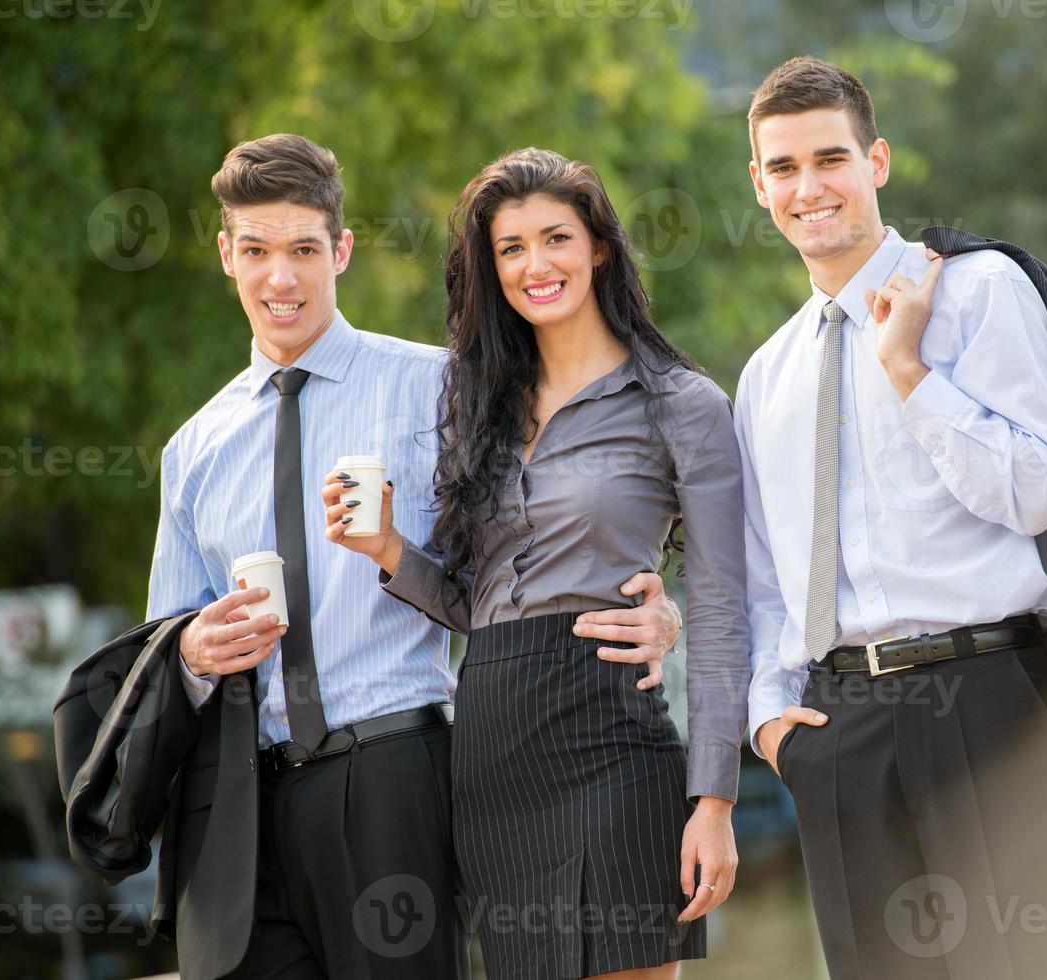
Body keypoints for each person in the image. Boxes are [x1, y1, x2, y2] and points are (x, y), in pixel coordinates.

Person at [147, 133, 683, 979]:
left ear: (341, 251)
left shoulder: (444, 388)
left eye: (302, 251)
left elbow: (528, 561)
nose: (279, 279)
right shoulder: (193, 448)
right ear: (227, 255)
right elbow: (161, 644)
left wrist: (656, 608)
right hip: (241, 804)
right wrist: (190, 651)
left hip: (392, 773)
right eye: (255, 251)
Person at [736, 57, 1047, 979]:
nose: (808, 187)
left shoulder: (982, 291)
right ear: (758, 186)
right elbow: (761, 579)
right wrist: (769, 724)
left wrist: (908, 369)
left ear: (877, 160)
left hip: (987, 700)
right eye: (782, 168)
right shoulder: (765, 376)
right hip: (838, 734)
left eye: (829, 158)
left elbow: (1039, 492)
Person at [324, 146, 750, 980]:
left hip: (613, 745)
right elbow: (475, 603)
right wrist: (387, 552)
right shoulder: (474, 407)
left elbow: (725, 607)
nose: (535, 264)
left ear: (598, 246)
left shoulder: (681, 405)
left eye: (554, 237)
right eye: (510, 248)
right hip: (490, 749)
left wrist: (715, 801)